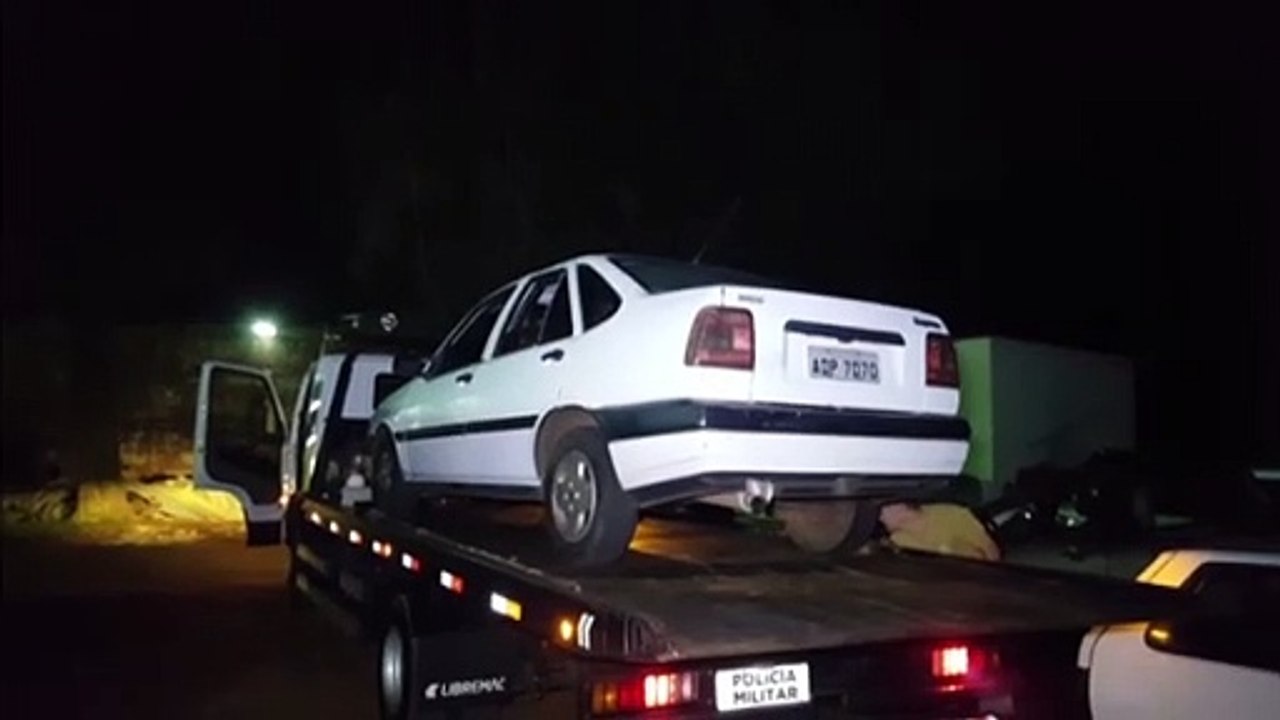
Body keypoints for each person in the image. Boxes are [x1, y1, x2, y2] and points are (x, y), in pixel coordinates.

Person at [877, 501, 1001, 561]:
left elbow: (990, 549)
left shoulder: (953, 515)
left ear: (900, 506)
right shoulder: (898, 540)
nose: (880, 517)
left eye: (883, 510)